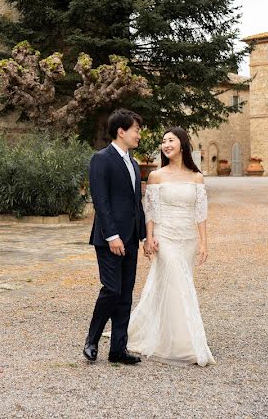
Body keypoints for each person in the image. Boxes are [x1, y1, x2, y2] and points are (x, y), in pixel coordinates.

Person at [127, 126, 216, 366]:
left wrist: (203, 243)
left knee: (170, 285)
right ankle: (185, 343)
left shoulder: (196, 177)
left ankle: (164, 333)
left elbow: (201, 213)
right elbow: (151, 211)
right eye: (163, 141)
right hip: (164, 237)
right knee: (179, 282)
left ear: (182, 144)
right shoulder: (157, 176)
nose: (166, 145)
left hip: (187, 238)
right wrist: (149, 237)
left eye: (171, 140)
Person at [83, 109, 146, 365]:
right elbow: (101, 200)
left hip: (130, 239)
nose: (139, 135)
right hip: (109, 239)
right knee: (111, 290)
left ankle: (118, 349)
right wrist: (112, 235)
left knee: (126, 294)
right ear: (121, 131)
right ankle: (92, 340)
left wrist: (142, 237)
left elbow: (135, 203)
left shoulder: (133, 162)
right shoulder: (101, 159)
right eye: (136, 130)